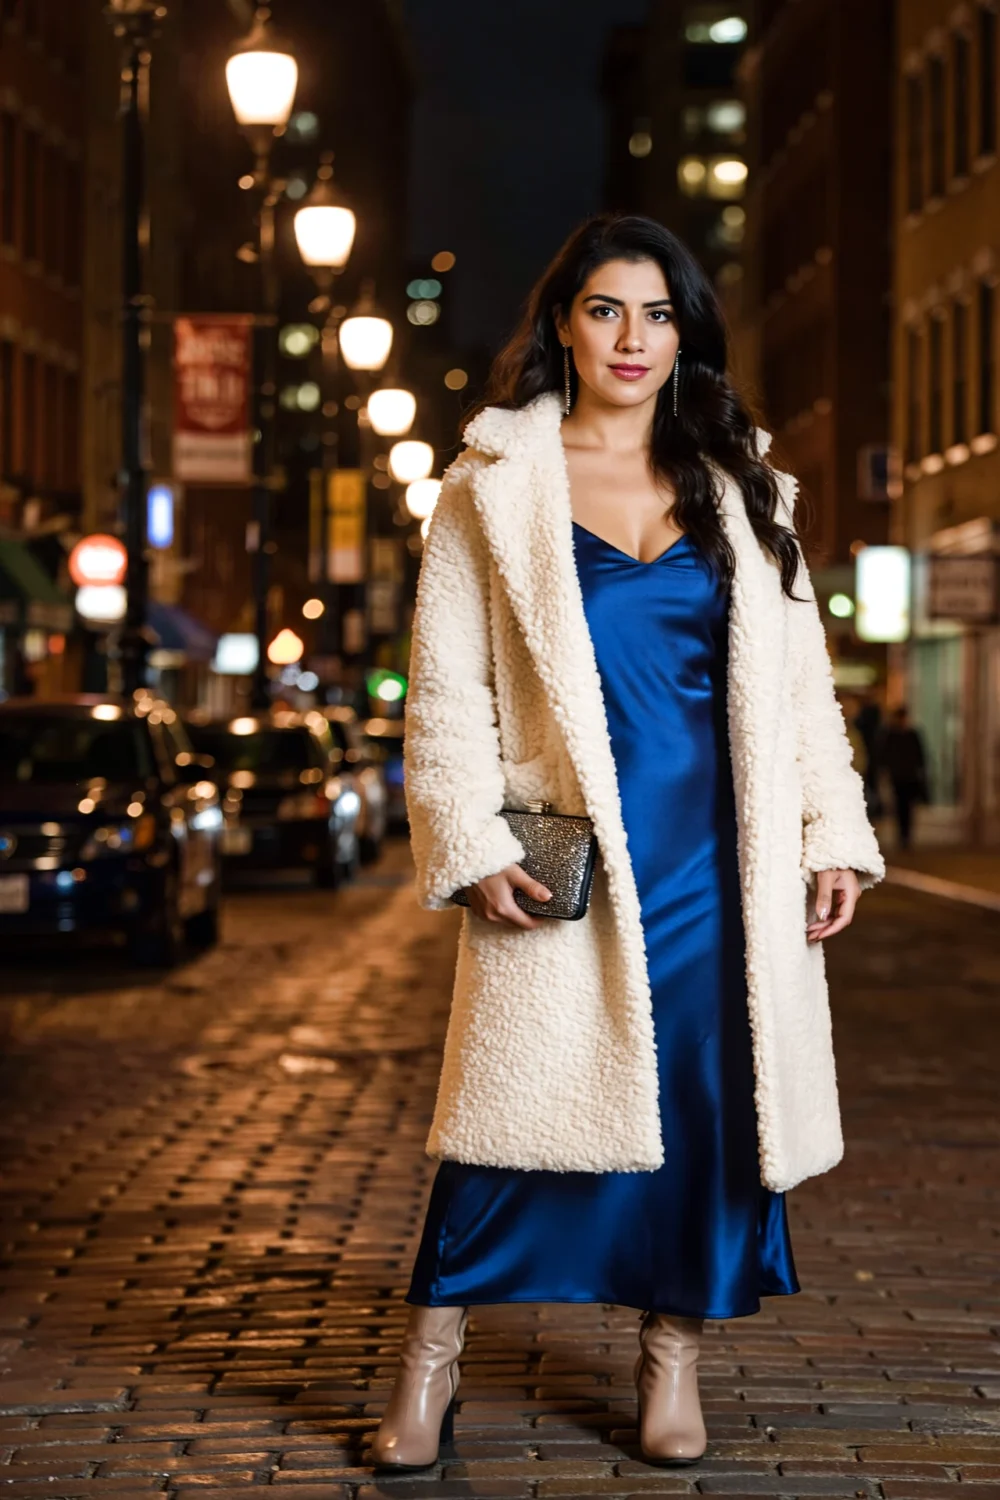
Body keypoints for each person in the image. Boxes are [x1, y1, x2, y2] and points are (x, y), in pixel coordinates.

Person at [372, 214, 885, 1473]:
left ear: (685, 334)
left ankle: (672, 1360)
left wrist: (832, 830)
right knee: (503, 1116)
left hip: (725, 857)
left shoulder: (744, 485)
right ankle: (429, 1362)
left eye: (658, 315)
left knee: (711, 1110)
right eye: (606, 310)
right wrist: (469, 838)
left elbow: (803, 689)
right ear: (561, 322)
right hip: (571, 855)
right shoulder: (490, 486)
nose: (632, 338)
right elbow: (445, 695)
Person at [880, 705, 929, 850]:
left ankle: (906, 835)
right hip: (898, 776)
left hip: (910, 777)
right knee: (900, 806)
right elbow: (884, 756)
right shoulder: (890, 735)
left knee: (908, 807)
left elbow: (920, 756)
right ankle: (902, 835)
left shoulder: (912, 734)